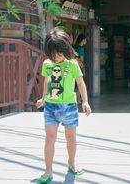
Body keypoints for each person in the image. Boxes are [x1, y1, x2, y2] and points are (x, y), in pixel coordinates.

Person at [36, 28, 91, 184]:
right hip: (51, 108)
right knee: (49, 139)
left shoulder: (73, 65)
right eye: (53, 54)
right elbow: (47, 81)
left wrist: (85, 101)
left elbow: (81, 83)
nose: (56, 57)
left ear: (65, 50)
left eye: (59, 54)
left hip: (68, 107)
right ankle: (48, 171)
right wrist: (43, 98)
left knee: (71, 138)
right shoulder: (47, 64)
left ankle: (71, 164)